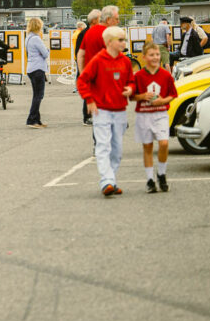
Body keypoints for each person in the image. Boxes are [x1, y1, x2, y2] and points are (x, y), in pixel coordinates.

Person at [77, 26, 134, 197]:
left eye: (124, 39)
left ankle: (112, 180)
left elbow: (131, 80)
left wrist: (130, 89)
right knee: (103, 146)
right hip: (101, 110)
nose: (124, 43)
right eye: (121, 40)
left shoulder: (125, 61)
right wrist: (89, 99)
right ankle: (107, 181)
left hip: (120, 110)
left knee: (117, 150)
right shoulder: (98, 60)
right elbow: (83, 81)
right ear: (109, 42)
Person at [130, 42, 178, 193]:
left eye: (157, 54)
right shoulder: (138, 76)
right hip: (144, 115)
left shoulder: (166, 75)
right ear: (144, 57)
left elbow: (173, 94)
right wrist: (143, 96)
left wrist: (162, 101)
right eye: (151, 55)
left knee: (164, 143)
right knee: (148, 146)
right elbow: (132, 97)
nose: (155, 57)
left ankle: (161, 174)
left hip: (160, 114)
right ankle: (150, 179)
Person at [74, 11, 100, 124]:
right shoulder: (85, 33)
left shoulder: (96, 31)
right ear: (94, 20)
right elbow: (79, 52)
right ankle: (87, 116)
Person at [25, 17, 49, 128]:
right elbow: (45, 53)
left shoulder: (28, 38)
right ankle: (31, 120)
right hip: (38, 68)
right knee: (39, 95)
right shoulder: (36, 39)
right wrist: (46, 50)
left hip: (31, 68)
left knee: (36, 95)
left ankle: (37, 120)